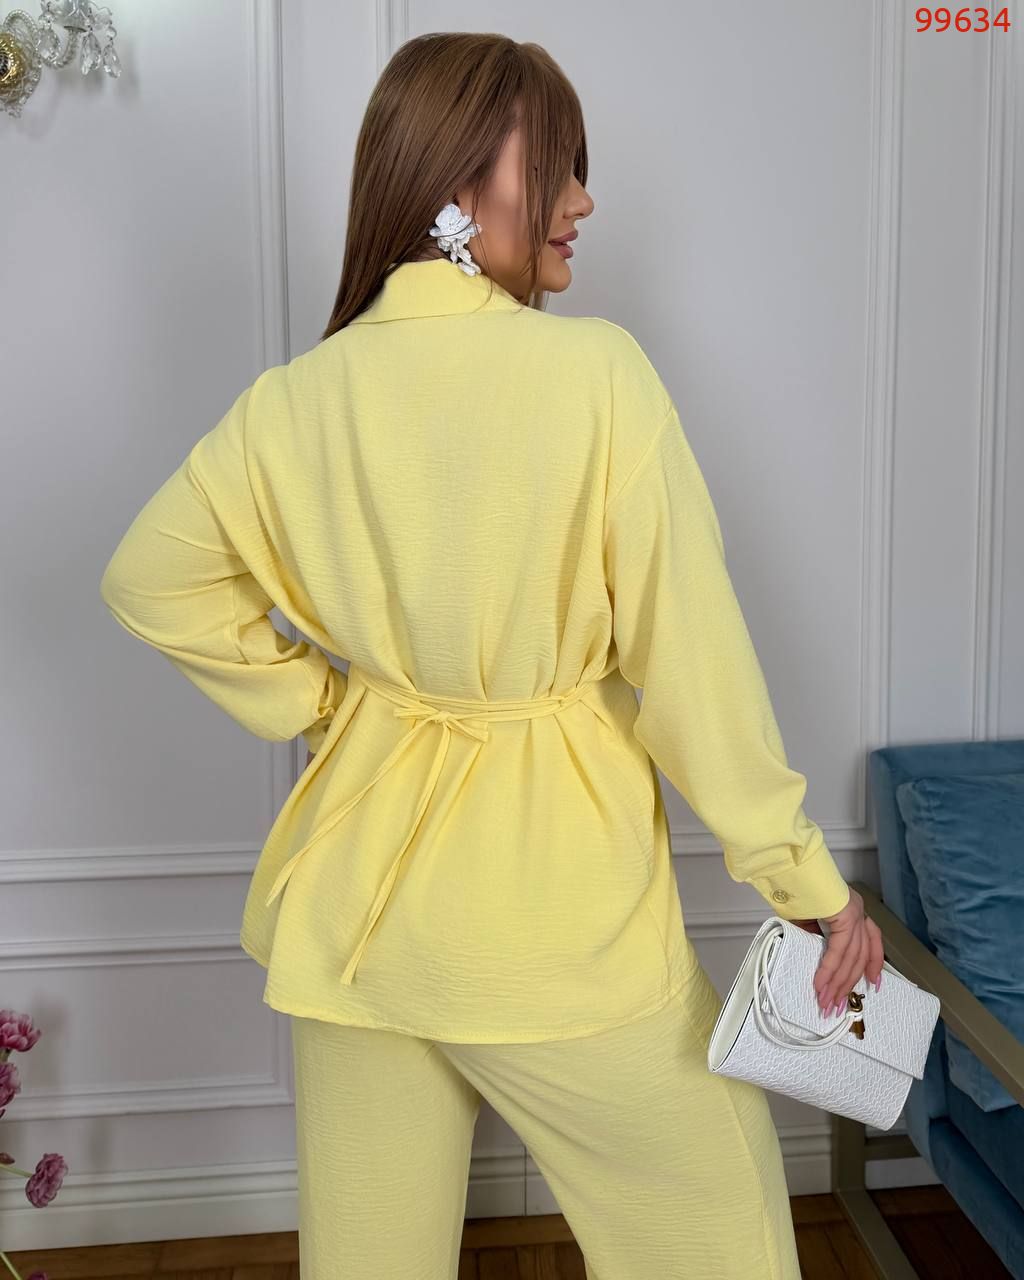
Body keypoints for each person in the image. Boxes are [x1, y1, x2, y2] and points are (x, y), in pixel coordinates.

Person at [99, 30, 884, 1280]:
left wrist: (334, 704)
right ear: (455, 182)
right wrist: (805, 883)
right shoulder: (597, 376)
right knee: (717, 1239)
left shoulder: (293, 401)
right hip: (557, 931)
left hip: (357, 924)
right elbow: (694, 668)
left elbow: (150, 576)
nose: (583, 201)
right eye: (558, 166)